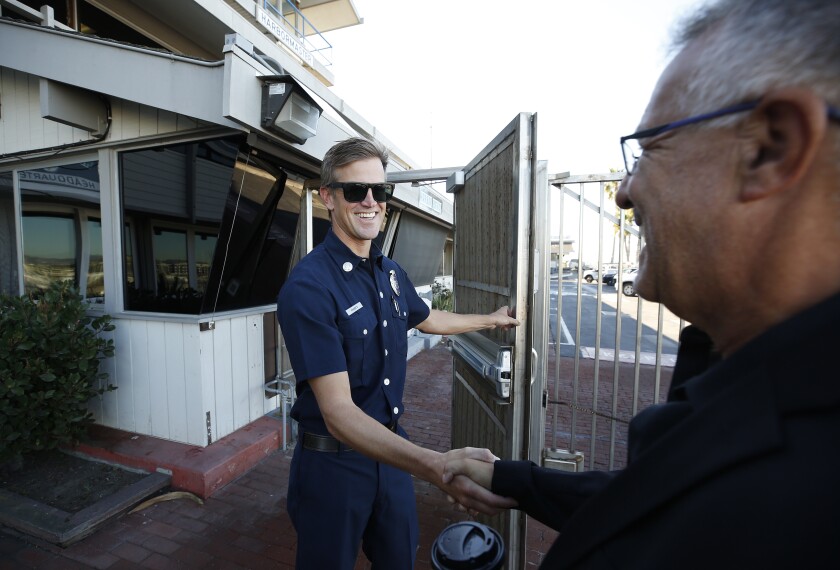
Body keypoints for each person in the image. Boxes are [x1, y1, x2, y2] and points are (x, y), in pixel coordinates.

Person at [443, 0, 840, 567]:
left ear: (770, 148)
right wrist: (518, 480)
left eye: (650, 149)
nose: (626, 191)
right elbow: (657, 500)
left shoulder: (803, 501)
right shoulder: (749, 383)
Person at [276, 137, 519, 570]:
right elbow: (338, 413)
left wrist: (491, 319)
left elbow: (427, 318)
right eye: (355, 191)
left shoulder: (389, 272)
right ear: (328, 197)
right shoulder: (309, 287)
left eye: (380, 191)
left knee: (400, 561)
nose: (370, 201)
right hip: (333, 468)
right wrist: (436, 466)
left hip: (390, 456)